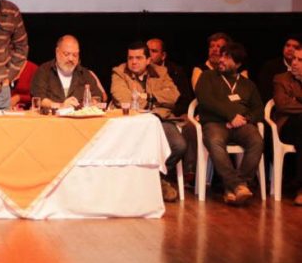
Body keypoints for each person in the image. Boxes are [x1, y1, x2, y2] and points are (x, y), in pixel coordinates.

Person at [110, 41, 186, 202]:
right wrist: (156, 101)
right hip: (133, 123)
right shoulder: (119, 72)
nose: (133, 62)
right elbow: (124, 98)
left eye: (138, 58)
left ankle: (155, 178)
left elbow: (173, 95)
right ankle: (151, 184)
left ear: (148, 60)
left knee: (178, 146)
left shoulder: (161, 72)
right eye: (130, 58)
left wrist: (149, 97)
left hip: (160, 119)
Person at [195, 42, 264, 205]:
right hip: (215, 123)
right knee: (215, 141)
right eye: (222, 56)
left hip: (241, 125)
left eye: (227, 57)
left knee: (257, 141)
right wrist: (231, 115)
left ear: (238, 64)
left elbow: (259, 110)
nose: (221, 60)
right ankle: (238, 185)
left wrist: (245, 119)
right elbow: (205, 100)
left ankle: (235, 186)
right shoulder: (207, 77)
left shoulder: (248, 84)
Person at [147, 37, 196, 184]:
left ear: (163, 55)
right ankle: (153, 178)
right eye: (147, 51)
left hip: (173, 113)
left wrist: (169, 107)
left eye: (154, 51)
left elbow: (182, 97)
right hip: (150, 115)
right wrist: (160, 99)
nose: (150, 54)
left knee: (189, 128)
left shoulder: (174, 71)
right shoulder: (139, 72)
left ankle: (188, 171)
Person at [30, 36, 102, 109]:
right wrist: (60, 106)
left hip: (78, 115)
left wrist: (88, 104)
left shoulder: (84, 74)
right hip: (51, 115)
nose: (71, 59)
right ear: (57, 52)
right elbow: (38, 99)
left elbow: (97, 97)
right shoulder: (44, 71)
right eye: (66, 54)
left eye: (75, 55)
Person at [273, 44, 302, 205]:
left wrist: (296, 100)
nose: (294, 63)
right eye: (294, 59)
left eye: (300, 60)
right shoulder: (281, 79)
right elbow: (282, 105)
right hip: (287, 125)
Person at [258, 35, 301, 104]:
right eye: (287, 45)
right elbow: (265, 93)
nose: (290, 49)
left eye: (295, 47)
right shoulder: (271, 67)